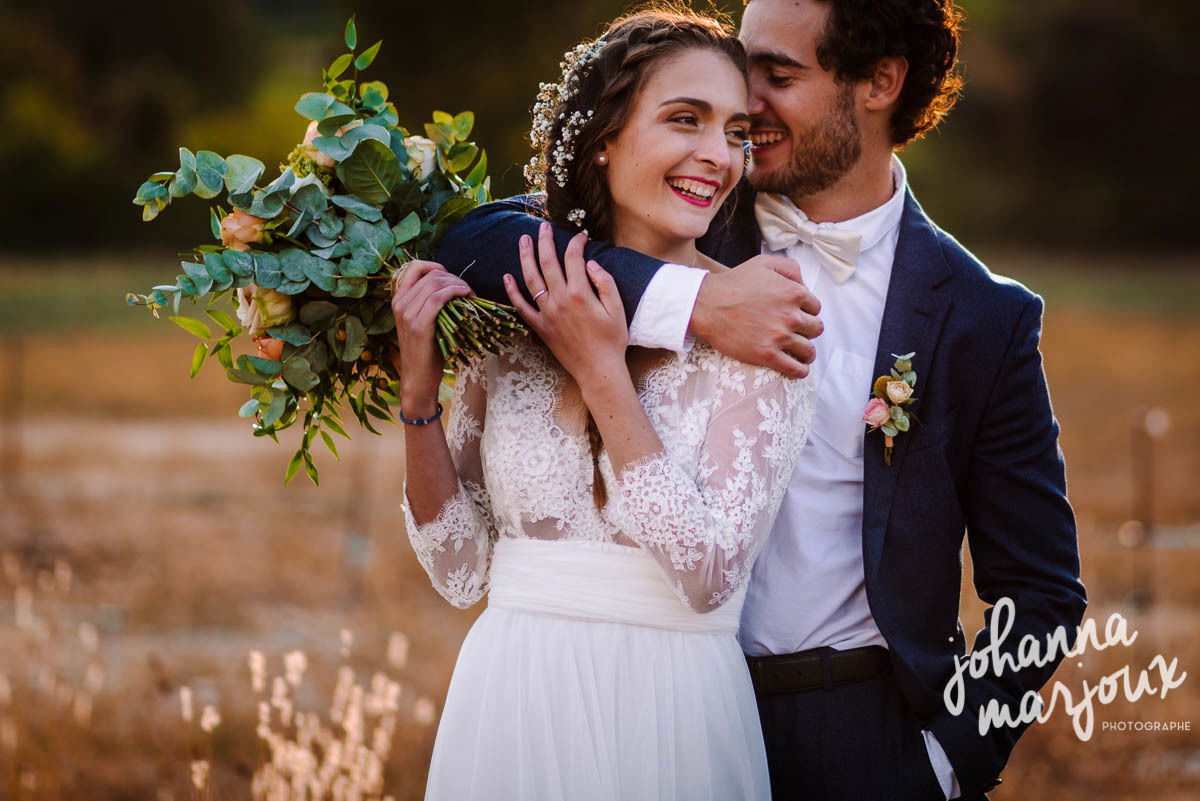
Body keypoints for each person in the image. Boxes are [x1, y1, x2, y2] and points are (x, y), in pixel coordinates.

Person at [435, 1, 1087, 799]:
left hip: (863, 724)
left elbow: (1043, 590)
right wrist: (695, 302)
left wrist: (943, 764)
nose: (747, 101)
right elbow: (479, 240)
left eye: (778, 76)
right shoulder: (687, 207)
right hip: (667, 701)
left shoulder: (982, 315)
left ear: (881, 81)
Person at [392, 9, 815, 800]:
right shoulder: (511, 319)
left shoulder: (758, 329)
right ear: (603, 142)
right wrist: (419, 398)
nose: (717, 155)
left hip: (670, 716)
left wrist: (603, 375)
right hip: (511, 703)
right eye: (684, 120)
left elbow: (706, 575)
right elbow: (459, 569)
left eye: (735, 132)